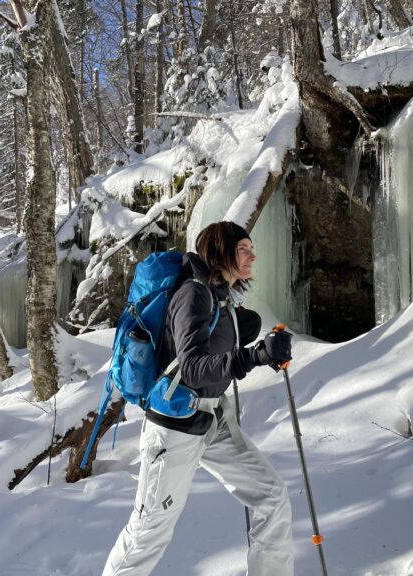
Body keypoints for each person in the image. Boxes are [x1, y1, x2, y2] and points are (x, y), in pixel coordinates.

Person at [102, 221, 295, 576]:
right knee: (148, 530)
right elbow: (192, 368)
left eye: (252, 248)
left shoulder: (219, 296)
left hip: (213, 420)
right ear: (221, 252)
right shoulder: (194, 294)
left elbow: (218, 347)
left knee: (271, 498)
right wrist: (254, 357)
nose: (253, 255)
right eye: (243, 249)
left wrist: (259, 344)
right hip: (173, 429)